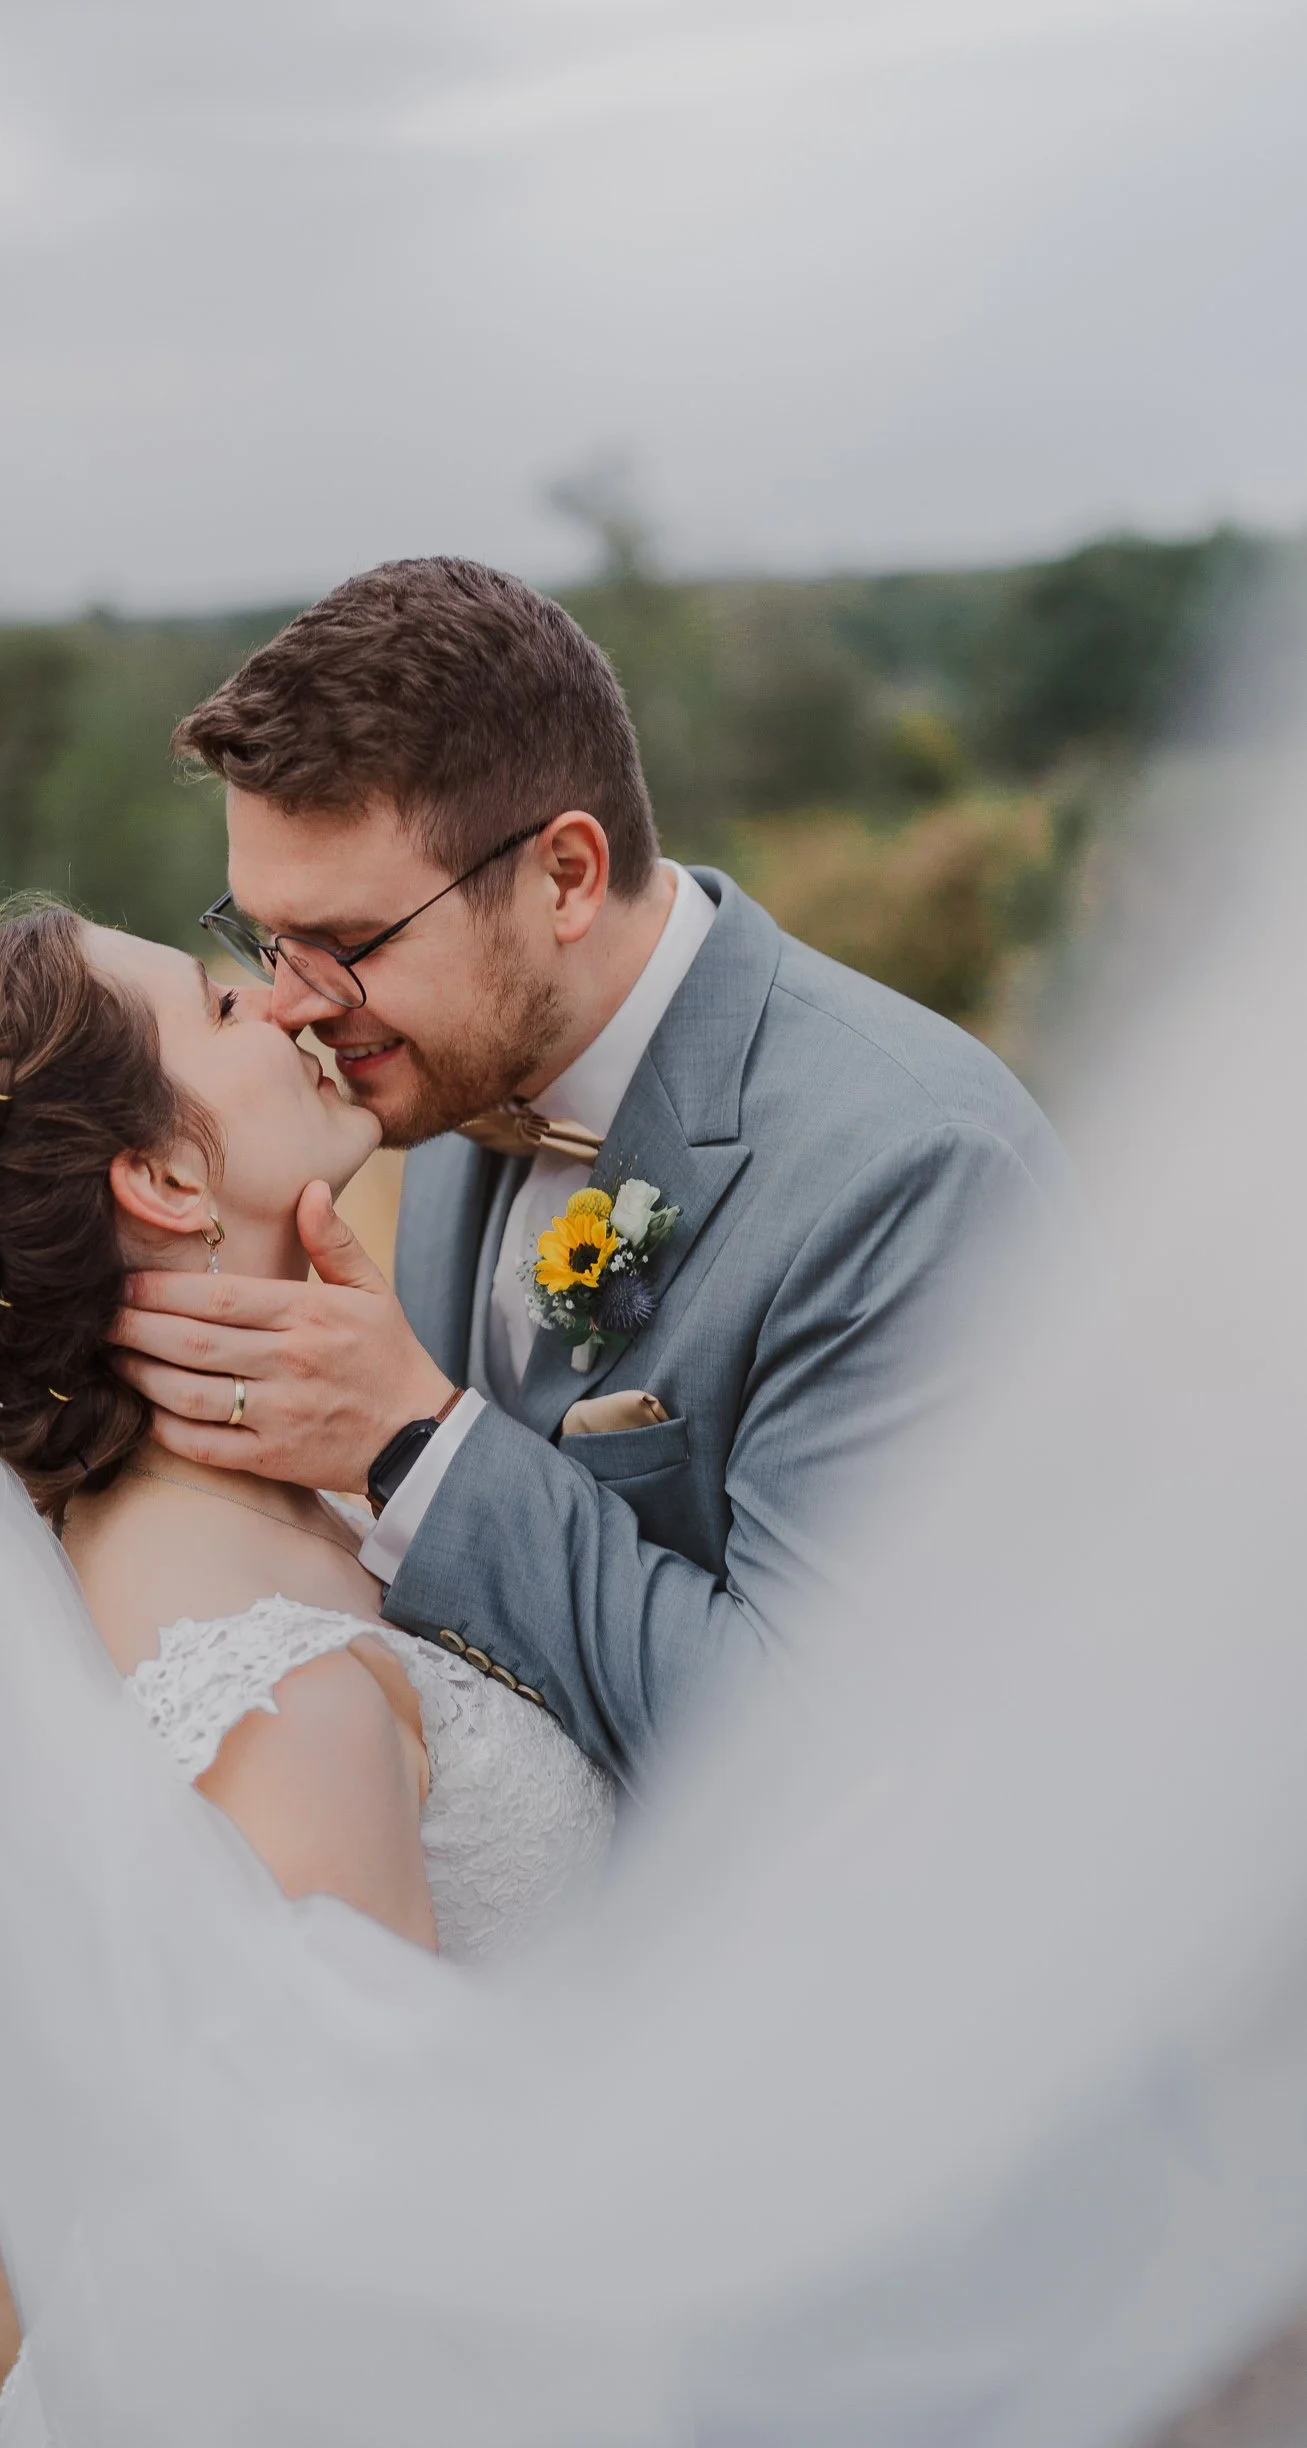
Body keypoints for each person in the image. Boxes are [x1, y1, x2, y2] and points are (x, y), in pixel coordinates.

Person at [107, 556, 1081, 1785]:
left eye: (346, 942)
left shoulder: (913, 1170)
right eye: (265, 936)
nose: (292, 1002)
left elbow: (831, 1757)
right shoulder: (445, 1084)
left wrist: (411, 1444)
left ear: (563, 876)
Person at [0, 904, 615, 1966]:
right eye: (217, 1007)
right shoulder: (272, 1692)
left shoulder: (291, 1483)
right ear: (166, 1180)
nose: (275, 1002)